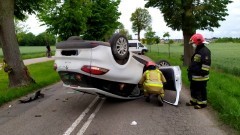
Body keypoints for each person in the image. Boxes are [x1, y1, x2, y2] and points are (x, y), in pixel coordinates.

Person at [186, 33, 211, 109]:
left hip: (201, 76)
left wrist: (202, 72)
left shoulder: (205, 51)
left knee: (200, 90)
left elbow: (206, 63)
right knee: (193, 89)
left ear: (198, 42)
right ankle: (194, 101)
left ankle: (202, 103)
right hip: (195, 75)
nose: (193, 44)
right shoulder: (198, 49)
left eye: (193, 43)